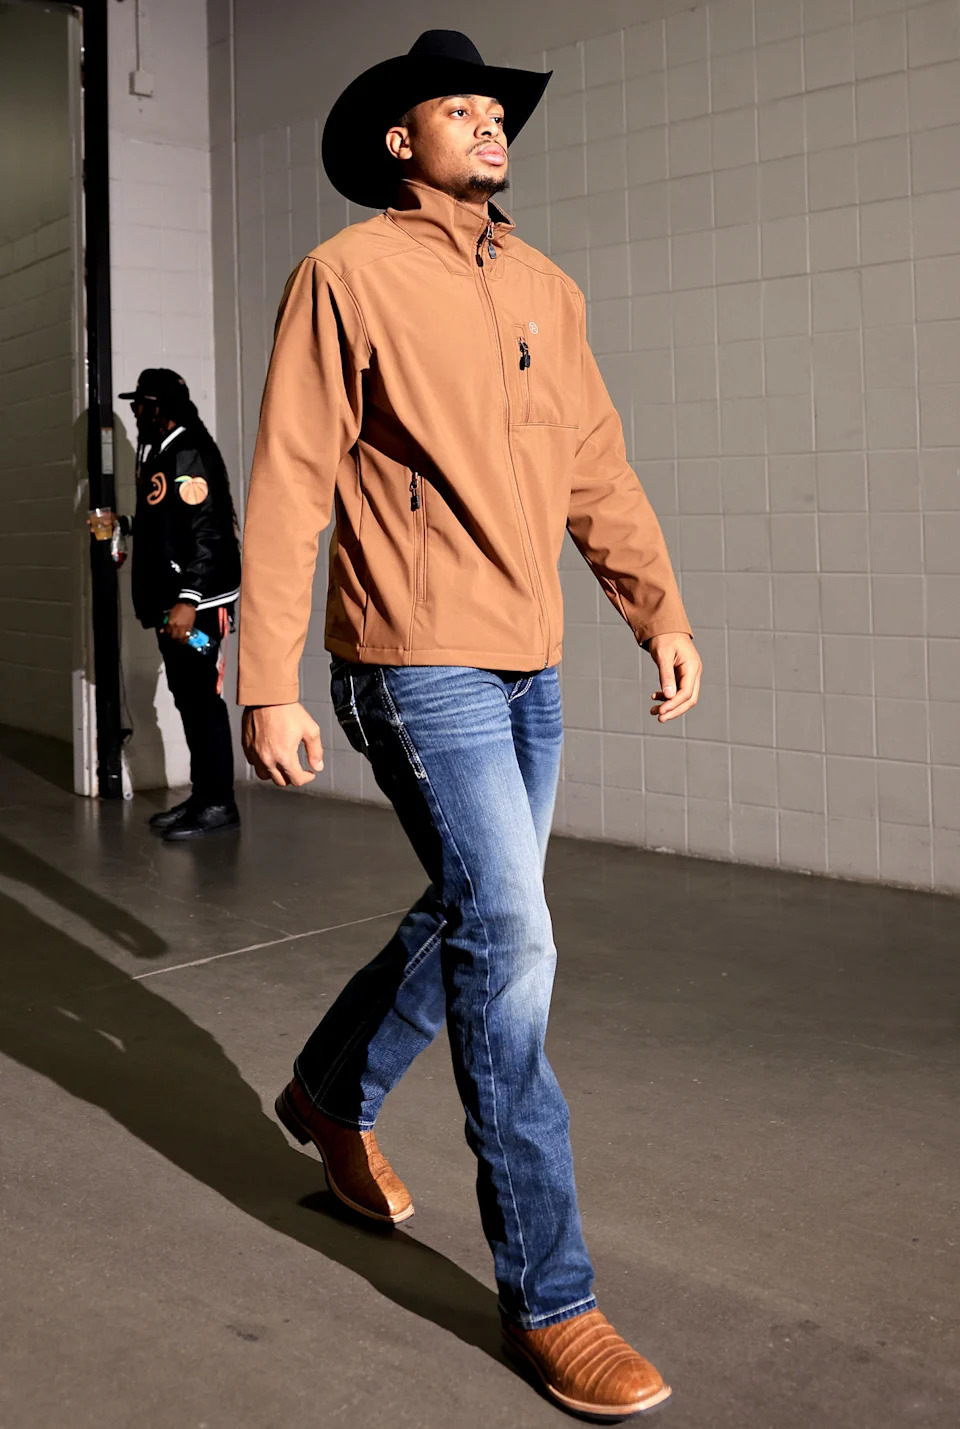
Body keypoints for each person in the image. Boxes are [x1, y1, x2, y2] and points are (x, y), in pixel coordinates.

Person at [239, 31, 702, 1420]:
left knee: (475, 909)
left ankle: (329, 1091)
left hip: (531, 661)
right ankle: (553, 1297)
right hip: (413, 656)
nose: (491, 125)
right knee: (517, 942)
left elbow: (595, 464)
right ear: (400, 136)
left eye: (499, 110)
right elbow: (291, 475)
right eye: (462, 107)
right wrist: (265, 676)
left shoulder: (547, 288)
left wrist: (655, 606)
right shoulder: (347, 274)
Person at [118, 368, 242, 840]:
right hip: (176, 604)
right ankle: (204, 795)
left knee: (202, 699)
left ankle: (218, 803)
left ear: (159, 406)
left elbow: (208, 530)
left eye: (140, 404)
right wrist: (127, 524)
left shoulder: (187, 450)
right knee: (188, 697)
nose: (135, 412)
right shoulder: (164, 451)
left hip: (199, 606)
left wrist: (189, 601)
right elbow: (169, 519)